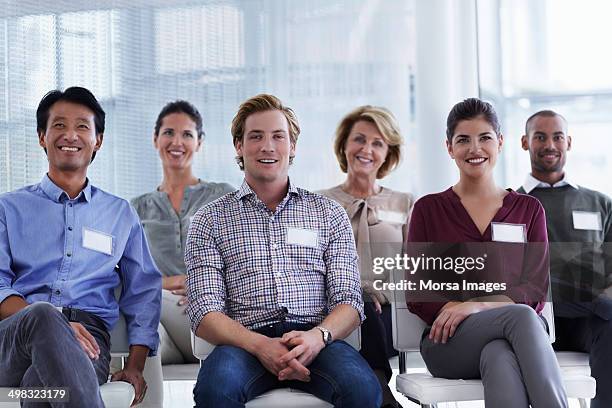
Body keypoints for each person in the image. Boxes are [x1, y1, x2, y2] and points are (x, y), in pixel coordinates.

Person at [185, 94, 382, 407]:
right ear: (239, 146)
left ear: (293, 147)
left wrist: (317, 337)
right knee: (214, 391)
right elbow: (204, 312)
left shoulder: (328, 213)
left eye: (278, 136)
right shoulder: (209, 219)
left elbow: (349, 301)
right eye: (256, 136)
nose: (268, 146)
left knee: (364, 390)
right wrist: (260, 345)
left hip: (317, 342)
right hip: (245, 343)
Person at [0, 87, 161, 407]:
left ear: (98, 140)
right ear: (41, 136)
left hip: (88, 341)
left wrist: (135, 366)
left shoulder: (120, 214)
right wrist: (55, 327)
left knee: (41, 389)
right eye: (59, 125)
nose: (70, 135)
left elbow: (143, 292)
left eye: (83, 126)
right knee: (43, 315)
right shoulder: (8, 208)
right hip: (15, 337)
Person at [406, 98, 568, 407]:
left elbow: (535, 289)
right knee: (520, 317)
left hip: (512, 338)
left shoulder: (528, 209)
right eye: (463, 140)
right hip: (448, 341)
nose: (474, 148)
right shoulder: (429, 209)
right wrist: (469, 311)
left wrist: (476, 305)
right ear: (449, 147)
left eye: (485, 138)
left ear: (500, 142)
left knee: (499, 354)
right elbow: (419, 292)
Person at [318, 106, 412, 408]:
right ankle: (382, 395)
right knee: (358, 301)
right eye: (359, 139)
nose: (366, 149)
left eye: (377, 143)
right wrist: (354, 293)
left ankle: (377, 392)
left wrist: (382, 293)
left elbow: (416, 268)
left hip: (389, 311)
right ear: (344, 145)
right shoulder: (319, 203)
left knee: (368, 309)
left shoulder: (405, 202)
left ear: (388, 153)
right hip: (334, 311)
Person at [518, 110, 612, 408]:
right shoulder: (510, 204)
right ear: (524, 142)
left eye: (557, 136)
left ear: (568, 142)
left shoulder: (600, 203)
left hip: (590, 319)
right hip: (535, 319)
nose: (550, 145)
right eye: (540, 137)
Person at [131, 100, 233, 365]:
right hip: (163, 320)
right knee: (143, 326)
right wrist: (169, 282)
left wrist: (204, 284)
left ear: (199, 142)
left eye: (187, 134)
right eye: (168, 133)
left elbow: (245, 259)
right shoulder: (135, 208)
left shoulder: (222, 196)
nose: (177, 142)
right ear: (155, 139)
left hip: (215, 313)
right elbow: (126, 276)